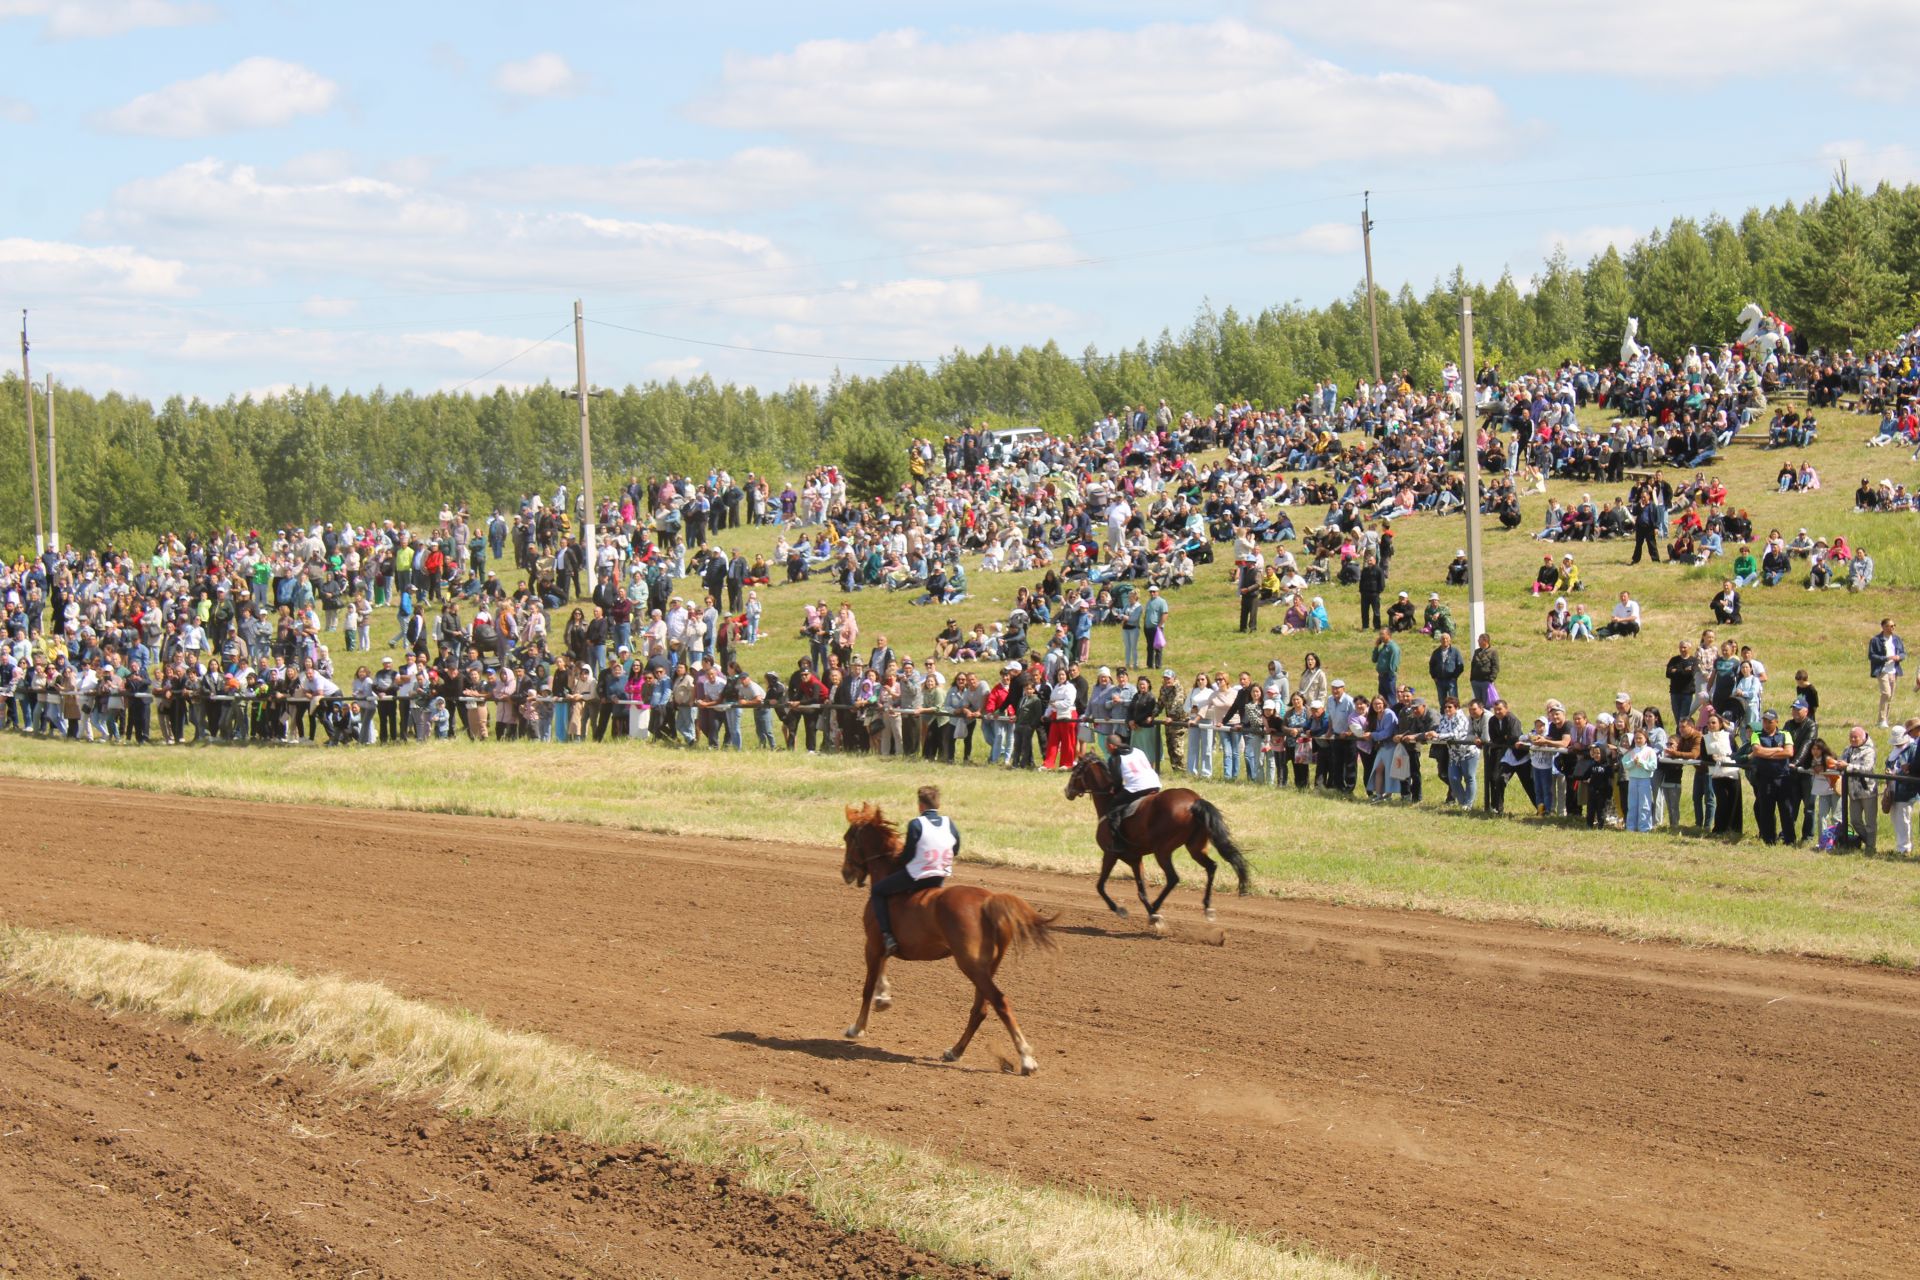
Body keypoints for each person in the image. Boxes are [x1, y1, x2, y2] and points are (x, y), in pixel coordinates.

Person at [870, 784, 957, 957]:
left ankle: (887, 936)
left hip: (918, 876)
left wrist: (898, 861)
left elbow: (909, 855)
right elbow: (956, 847)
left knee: (878, 891)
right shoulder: (949, 823)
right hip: (940, 876)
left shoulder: (916, 824)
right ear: (937, 805)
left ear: (920, 806)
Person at [1104, 731, 1163, 856]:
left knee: (1113, 809)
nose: (1107, 750)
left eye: (1107, 747)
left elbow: (1117, 781)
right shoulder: (1138, 750)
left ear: (1111, 746)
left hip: (1138, 787)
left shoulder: (1114, 758)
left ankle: (1118, 843)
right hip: (1155, 783)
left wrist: (1114, 790)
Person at [1869, 617, 1904, 728]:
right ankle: (1881, 720)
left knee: (1890, 697)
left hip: (1893, 671)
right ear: (1884, 627)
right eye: (1891, 626)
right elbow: (1871, 656)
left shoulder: (1897, 639)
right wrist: (1886, 658)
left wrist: (1899, 657)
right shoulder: (1875, 640)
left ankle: (1885, 720)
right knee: (1886, 693)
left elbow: (1903, 653)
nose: (1893, 628)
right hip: (1882, 670)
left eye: (1894, 625)